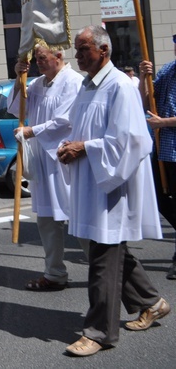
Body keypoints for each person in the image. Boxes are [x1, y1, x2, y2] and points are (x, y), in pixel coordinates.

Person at [58, 25, 169, 357]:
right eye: (76, 50)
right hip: (91, 182)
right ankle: (151, 301)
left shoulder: (120, 85)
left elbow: (132, 141)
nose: (77, 56)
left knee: (103, 257)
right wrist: (70, 146)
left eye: (82, 50)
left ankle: (99, 331)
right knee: (107, 250)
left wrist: (85, 148)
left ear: (103, 50)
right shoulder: (88, 87)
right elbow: (83, 128)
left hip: (112, 185)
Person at [7, 45, 84, 291]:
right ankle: (54, 273)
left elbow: (66, 120)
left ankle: (107, 269)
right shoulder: (39, 83)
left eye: (42, 58)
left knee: (80, 218)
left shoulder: (73, 82)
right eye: (36, 59)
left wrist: (32, 131)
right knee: (47, 220)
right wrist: (19, 79)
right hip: (42, 159)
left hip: (64, 159)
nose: (38, 63)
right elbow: (19, 106)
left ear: (59, 56)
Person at [139, 41, 176, 279]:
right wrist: (144, 78)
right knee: (160, 199)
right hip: (163, 149)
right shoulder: (169, 70)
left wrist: (163, 123)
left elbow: (160, 118)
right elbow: (146, 102)